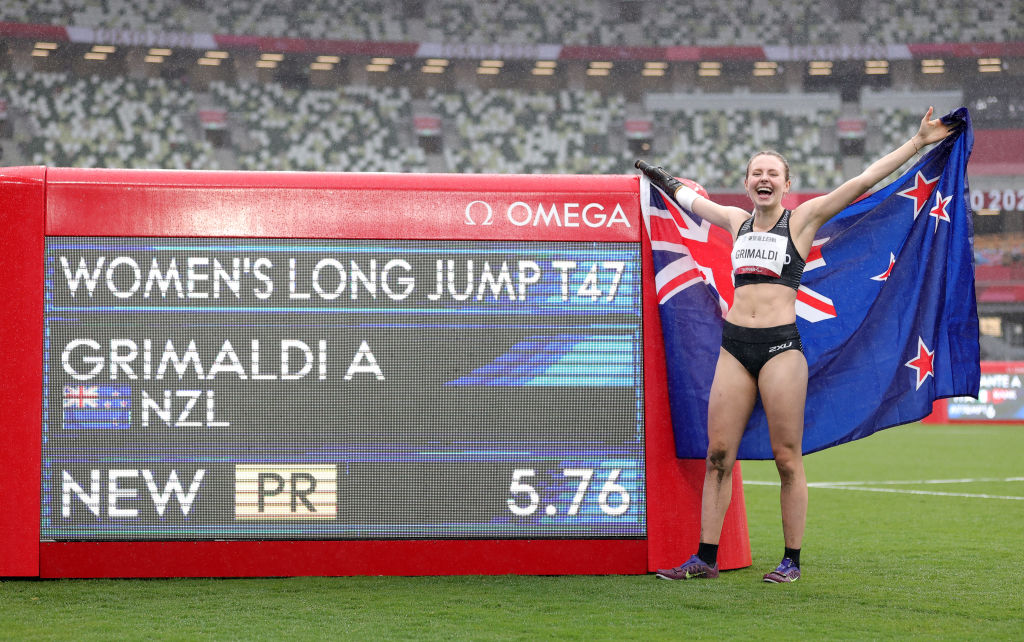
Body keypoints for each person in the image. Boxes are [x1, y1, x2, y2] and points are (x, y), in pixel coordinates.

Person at [640, 107, 957, 583]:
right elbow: (688, 200)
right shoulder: (733, 220)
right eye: (756, 173)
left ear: (786, 185)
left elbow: (865, 179)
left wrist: (918, 143)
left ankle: (791, 560)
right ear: (747, 184)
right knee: (718, 455)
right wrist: (657, 177)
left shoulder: (804, 219)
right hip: (734, 346)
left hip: (780, 349)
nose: (763, 179)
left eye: (772, 173)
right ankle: (705, 558)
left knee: (787, 457)